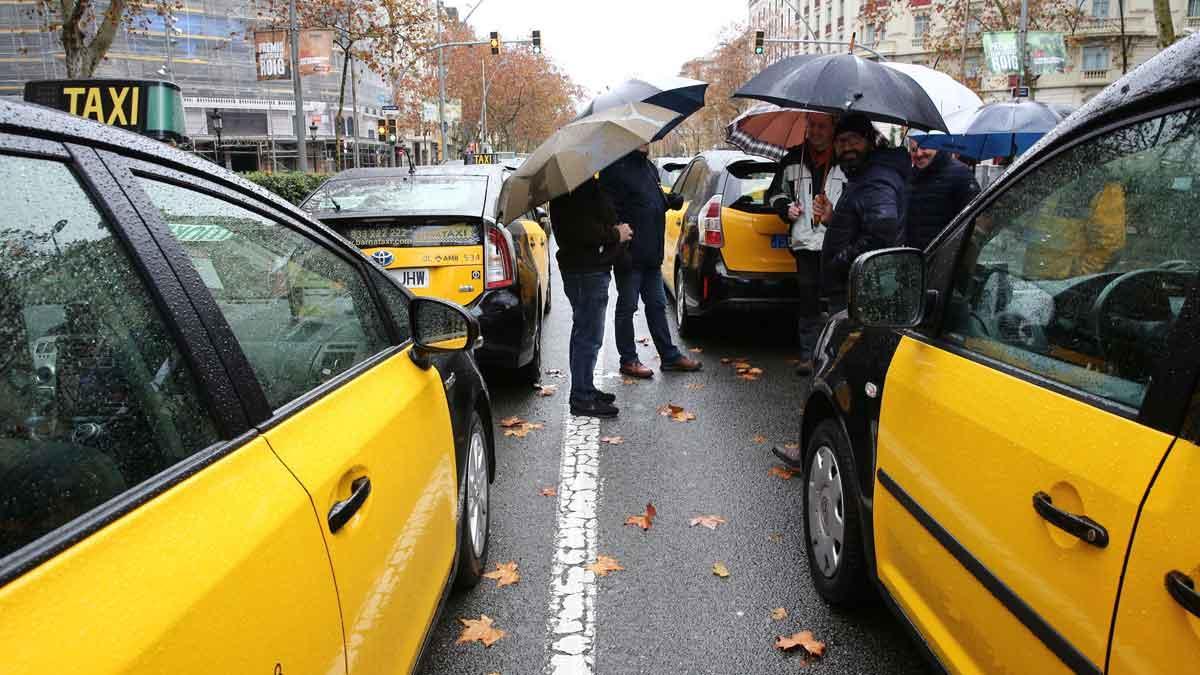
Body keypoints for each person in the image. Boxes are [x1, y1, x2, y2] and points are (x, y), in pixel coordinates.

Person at [599, 145, 702, 379]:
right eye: (641, 137)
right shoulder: (615, 169)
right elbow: (609, 210)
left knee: (657, 306)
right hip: (630, 254)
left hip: (651, 255)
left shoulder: (648, 167)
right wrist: (618, 238)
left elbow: (647, 201)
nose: (647, 141)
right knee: (627, 307)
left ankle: (670, 357)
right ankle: (628, 360)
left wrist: (668, 201)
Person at [766, 112, 847, 372]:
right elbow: (774, 194)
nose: (816, 131)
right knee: (808, 300)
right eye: (812, 125)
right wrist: (785, 207)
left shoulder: (846, 159)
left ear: (833, 128)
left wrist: (836, 213)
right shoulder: (792, 158)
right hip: (804, 243)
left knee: (838, 300)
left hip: (836, 242)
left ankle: (836, 356)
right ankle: (809, 355)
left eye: (822, 126)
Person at [549, 178, 632, 418]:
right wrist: (617, 233)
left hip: (583, 269)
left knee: (584, 333)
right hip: (586, 270)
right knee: (589, 336)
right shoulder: (575, 190)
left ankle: (585, 388)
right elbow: (584, 231)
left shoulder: (570, 187)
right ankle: (582, 398)